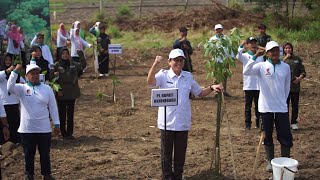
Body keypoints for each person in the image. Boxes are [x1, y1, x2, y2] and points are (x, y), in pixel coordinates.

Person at [147, 49, 223, 180]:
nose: (179, 63)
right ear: (169, 62)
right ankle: (167, 177)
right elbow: (150, 82)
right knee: (166, 153)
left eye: (181, 60)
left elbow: (199, 93)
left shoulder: (188, 77)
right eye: (175, 60)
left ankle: (178, 176)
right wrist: (155, 64)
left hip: (182, 121)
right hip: (167, 122)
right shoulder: (163, 75)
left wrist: (211, 87)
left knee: (180, 153)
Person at [243, 41, 292, 172]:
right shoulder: (261, 66)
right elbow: (246, 71)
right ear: (267, 53)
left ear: (279, 52)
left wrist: (282, 100)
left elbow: (287, 87)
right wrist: (254, 56)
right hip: (265, 108)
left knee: (285, 136)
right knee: (267, 135)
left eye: (276, 50)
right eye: (271, 51)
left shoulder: (285, 67)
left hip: (281, 108)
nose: (274, 53)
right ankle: (270, 161)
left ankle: (285, 161)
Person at [7, 62, 60, 180]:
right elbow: (9, 87)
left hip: (44, 128)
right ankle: (29, 175)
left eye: (37, 73)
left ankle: (46, 174)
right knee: (29, 154)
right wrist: (15, 72)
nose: (35, 75)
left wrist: (56, 124)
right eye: (32, 73)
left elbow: (53, 107)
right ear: (27, 76)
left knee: (45, 154)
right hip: (27, 129)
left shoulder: (47, 89)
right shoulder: (21, 88)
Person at [51, 47, 84, 139]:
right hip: (61, 94)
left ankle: (69, 133)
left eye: (67, 54)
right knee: (62, 114)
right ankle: (63, 132)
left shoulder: (73, 64)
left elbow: (83, 66)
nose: (65, 55)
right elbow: (52, 79)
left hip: (72, 93)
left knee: (70, 114)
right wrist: (58, 90)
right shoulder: (56, 65)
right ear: (60, 55)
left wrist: (81, 55)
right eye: (63, 54)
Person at [236, 37, 264, 130]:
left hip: (259, 85)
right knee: (248, 106)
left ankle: (258, 124)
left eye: (254, 43)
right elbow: (237, 55)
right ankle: (247, 124)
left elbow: (268, 51)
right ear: (247, 45)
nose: (253, 45)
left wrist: (259, 47)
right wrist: (241, 45)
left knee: (258, 106)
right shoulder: (244, 55)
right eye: (250, 43)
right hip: (248, 85)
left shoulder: (260, 56)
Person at [0, 54, 25, 144]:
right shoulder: (2, 73)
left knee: (15, 122)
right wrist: (8, 71)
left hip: (14, 101)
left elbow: (23, 83)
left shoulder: (16, 75)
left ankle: (16, 140)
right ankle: (6, 141)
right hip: (4, 103)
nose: (8, 62)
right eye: (6, 60)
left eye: (10, 60)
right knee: (6, 123)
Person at [282, 43, 306, 130]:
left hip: (295, 87)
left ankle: (294, 122)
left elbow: (303, 72)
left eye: (289, 48)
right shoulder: (281, 59)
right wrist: (285, 58)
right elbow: (277, 67)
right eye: (286, 48)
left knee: (295, 105)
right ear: (283, 49)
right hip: (284, 87)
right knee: (285, 106)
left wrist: (299, 78)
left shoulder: (297, 59)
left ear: (292, 49)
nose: (288, 50)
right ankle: (285, 122)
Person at [209, 24, 234, 97]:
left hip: (225, 60)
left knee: (224, 76)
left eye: (219, 29)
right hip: (216, 61)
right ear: (215, 30)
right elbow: (210, 50)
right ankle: (216, 92)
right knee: (216, 76)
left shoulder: (226, 38)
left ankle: (224, 91)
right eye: (217, 29)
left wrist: (231, 57)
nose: (218, 31)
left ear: (222, 30)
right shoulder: (212, 39)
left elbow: (230, 48)